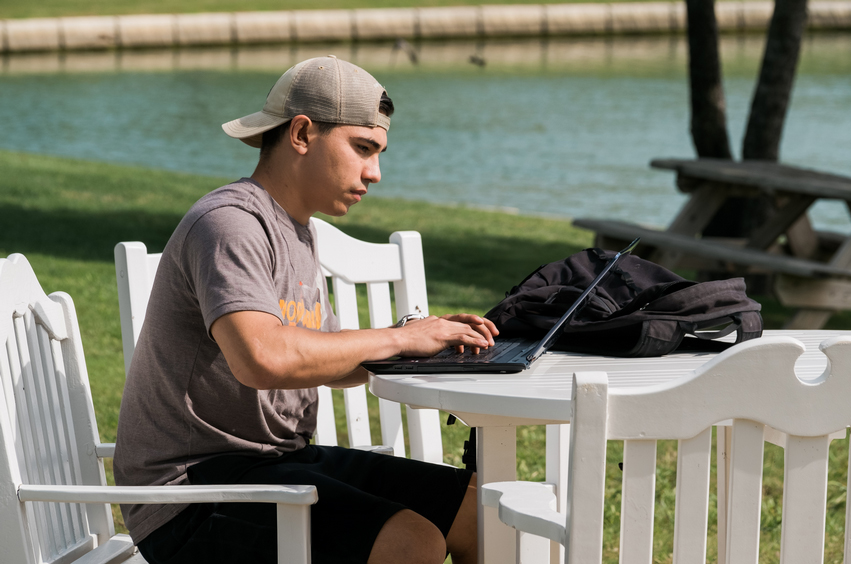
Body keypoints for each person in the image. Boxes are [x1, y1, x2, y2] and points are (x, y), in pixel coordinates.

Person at [113, 55, 498, 564]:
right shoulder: (229, 224)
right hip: (191, 492)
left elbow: (328, 361)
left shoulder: (297, 231)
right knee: (412, 541)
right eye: (363, 148)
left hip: (276, 463)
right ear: (301, 134)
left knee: (479, 510)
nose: (375, 173)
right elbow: (262, 359)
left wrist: (431, 343)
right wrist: (401, 340)